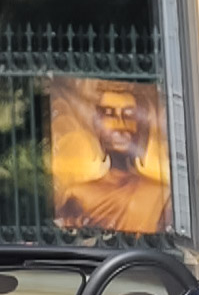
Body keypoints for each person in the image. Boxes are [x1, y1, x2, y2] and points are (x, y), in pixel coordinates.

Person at [55, 84, 170, 234]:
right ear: (97, 128)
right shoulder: (77, 194)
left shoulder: (160, 195)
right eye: (109, 114)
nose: (119, 126)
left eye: (129, 115)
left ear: (142, 128)